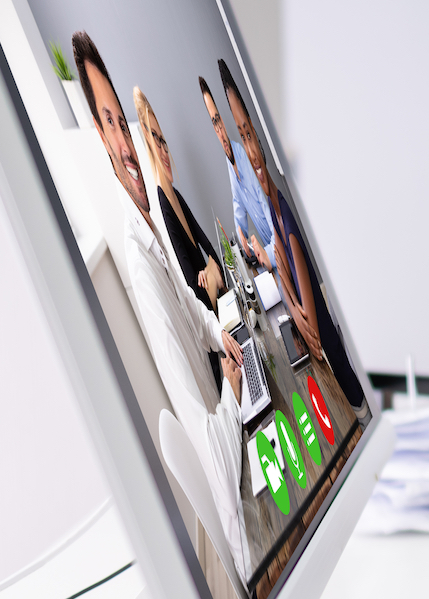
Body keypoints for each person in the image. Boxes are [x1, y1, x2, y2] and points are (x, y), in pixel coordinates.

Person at [73, 32, 254, 584]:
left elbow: (192, 306)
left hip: (248, 469)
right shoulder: (139, 266)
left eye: (122, 122)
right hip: (248, 538)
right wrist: (232, 386)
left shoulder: (152, 213)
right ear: (99, 139)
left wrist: (216, 334)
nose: (129, 144)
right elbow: (218, 471)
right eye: (111, 124)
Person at [216, 58, 364, 414]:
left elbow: (313, 335)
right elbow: (282, 271)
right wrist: (291, 302)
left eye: (248, 133)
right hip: (335, 370)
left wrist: (298, 311)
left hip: (352, 395)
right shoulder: (270, 206)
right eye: (240, 136)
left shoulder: (283, 215)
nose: (248, 151)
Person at [135, 86, 226, 312]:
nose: (164, 151)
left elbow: (212, 251)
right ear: (148, 143)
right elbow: (199, 296)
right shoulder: (164, 206)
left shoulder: (175, 196)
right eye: (156, 140)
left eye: (164, 140)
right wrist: (210, 273)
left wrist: (212, 273)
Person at [201, 74, 275, 275]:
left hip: (281, 245)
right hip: (270, 253)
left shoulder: (242, 154)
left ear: (223, 121)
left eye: (218, 120)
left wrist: (269, 253)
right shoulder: (230, 162)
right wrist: (242, 237)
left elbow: (266, 204)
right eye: (213, 124)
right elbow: (238, 204)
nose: (219, 129)